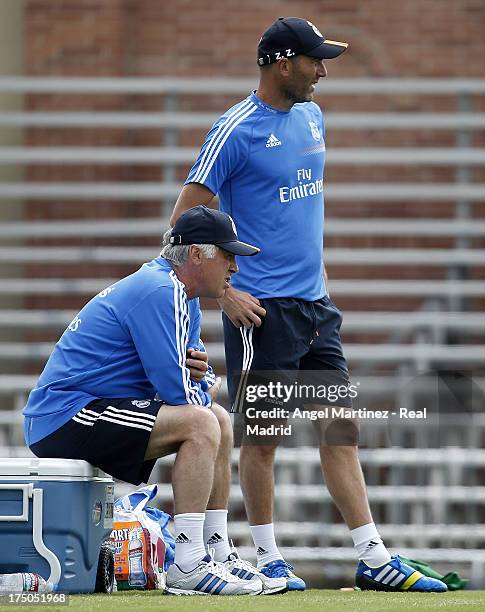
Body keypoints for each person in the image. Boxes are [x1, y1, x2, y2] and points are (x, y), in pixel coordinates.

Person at [170, 18, 447, 593]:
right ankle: (268, 556)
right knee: (263, 439)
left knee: (340, 430)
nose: (322, 71)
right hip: (264, 310)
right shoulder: (234, 129)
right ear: (281, 62)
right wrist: (225, 291)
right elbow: (181, 230)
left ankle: (372, 557)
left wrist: (318, 278)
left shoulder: (313, 116)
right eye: (314, 61)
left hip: (317, 307)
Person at [23, 206, 287, 596]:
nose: (234, 267)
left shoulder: (180, 293)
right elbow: (181, 392)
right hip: (64, 415)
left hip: (85, 409)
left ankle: (214, 551)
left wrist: (202, 382)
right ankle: (189, 563)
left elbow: (201, 376)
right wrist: (201, 384)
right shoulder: (162, 291)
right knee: (203, 422)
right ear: (196, 254)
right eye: (227, 255)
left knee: (218, 419)